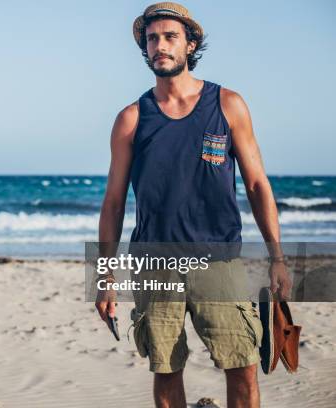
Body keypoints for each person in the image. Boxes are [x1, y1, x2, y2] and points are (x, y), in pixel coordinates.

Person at [94, 3, 292, 407]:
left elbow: (256, 184)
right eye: (152, 39)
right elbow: (113, 202)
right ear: (144, 48)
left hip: (218, 261)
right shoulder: (132, 119)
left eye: (170, 37)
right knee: (165, 370)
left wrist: (277, 257)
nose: (160, 46)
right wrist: (105, 275)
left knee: (243, 366)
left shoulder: (227, 104)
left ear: (191, 43)